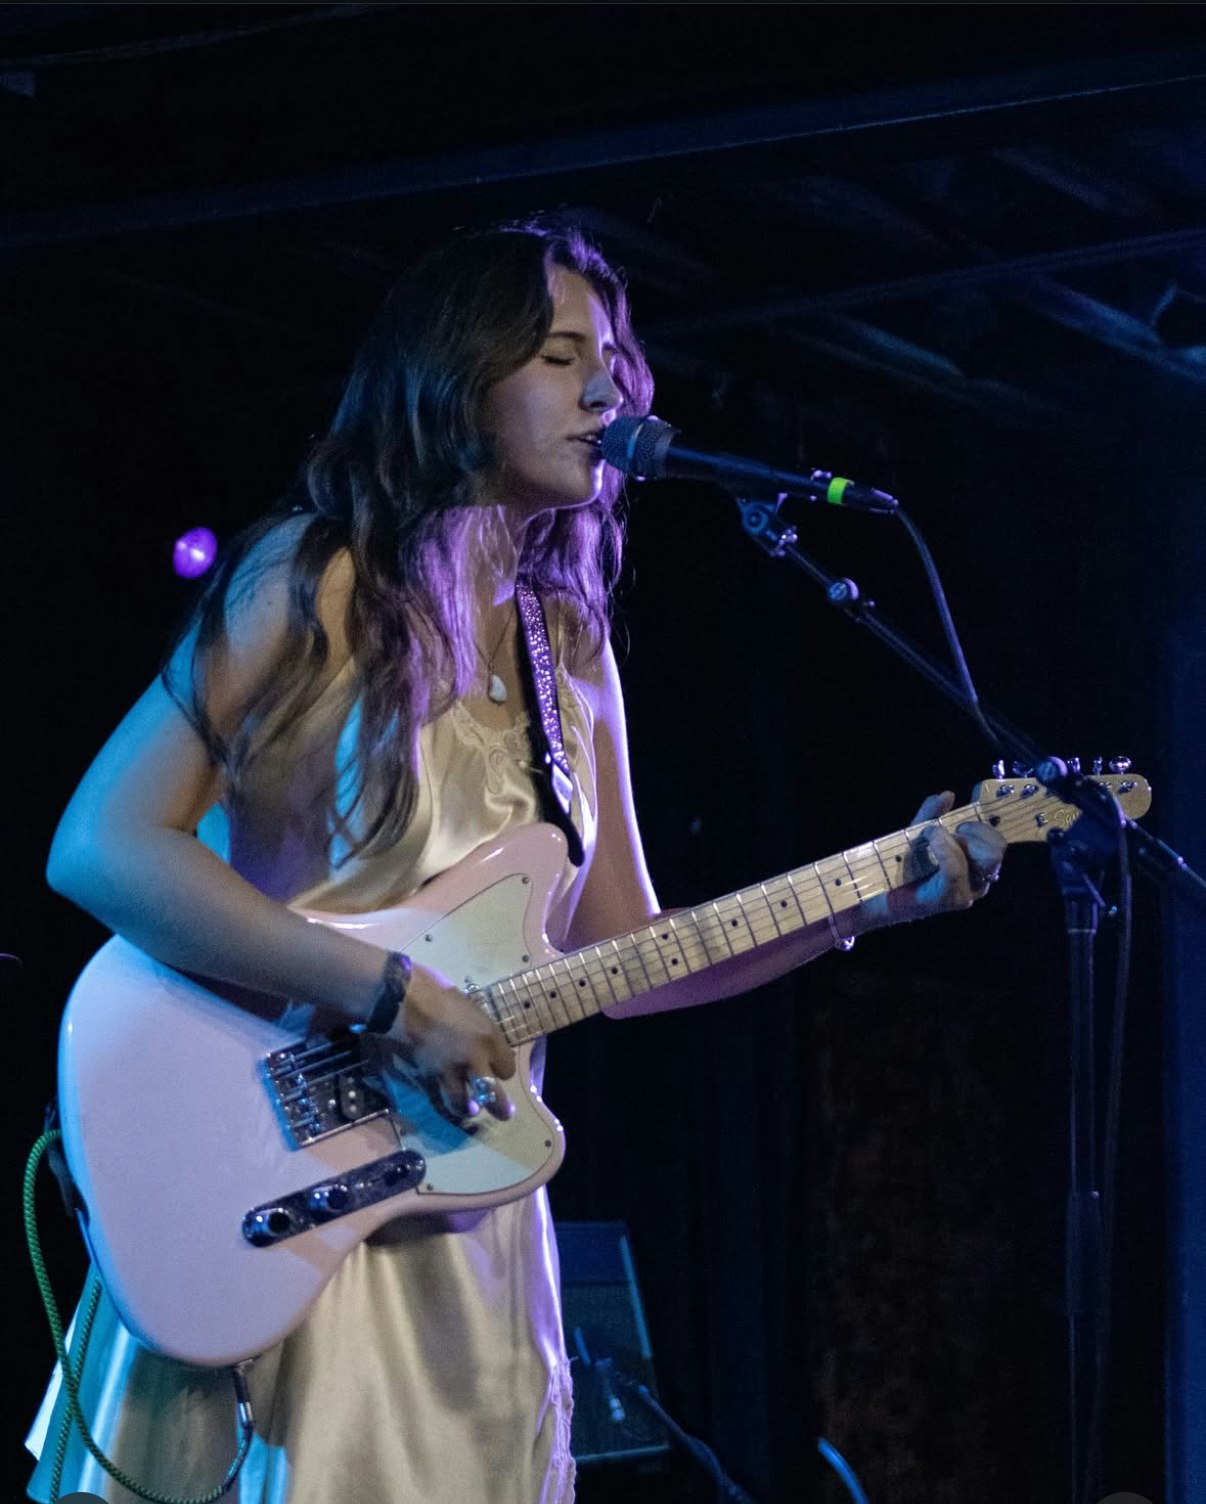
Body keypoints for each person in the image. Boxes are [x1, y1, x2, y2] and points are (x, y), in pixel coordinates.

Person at [27, 218, 1006, 1504]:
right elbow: (100, 844)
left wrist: (868, 899)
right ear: (458, 377)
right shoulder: (317, 577)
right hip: (270, 1187)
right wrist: (388, 993)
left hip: (467, 1227)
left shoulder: (571, 652)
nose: (606, 390)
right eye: (558, 355)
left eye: (612, 359)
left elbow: (625, 960)